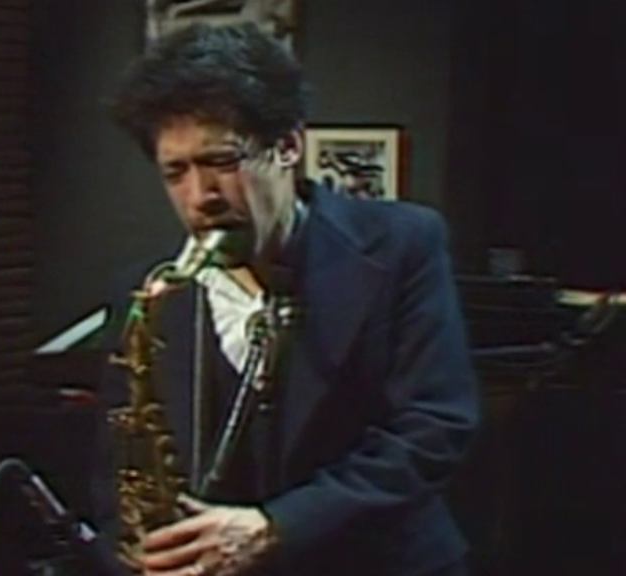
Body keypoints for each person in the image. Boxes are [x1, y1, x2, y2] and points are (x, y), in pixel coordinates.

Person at [89, 23, 481, 576]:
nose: (201, 197)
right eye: (175, 172)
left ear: (288, 147)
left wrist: (279, 526)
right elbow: (116, 471)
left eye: (222, 162)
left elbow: (434, 430)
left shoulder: (403, 245)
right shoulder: (150, 293)